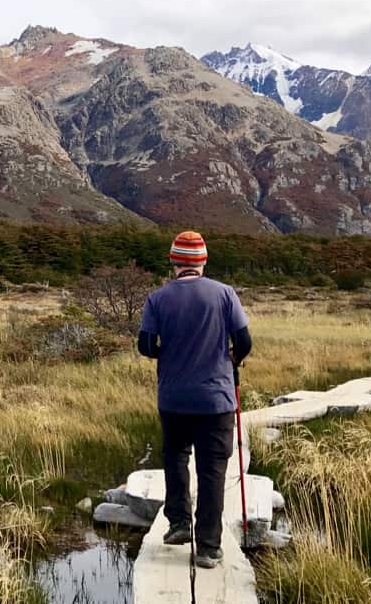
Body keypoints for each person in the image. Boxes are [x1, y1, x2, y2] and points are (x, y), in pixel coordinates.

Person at [137, 231, 252, 569]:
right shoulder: (225, 294)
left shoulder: (157, 298)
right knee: (213, 469)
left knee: (175, 456)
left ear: (174, 262)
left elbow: (145, 346)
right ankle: (208, 547)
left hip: (173, 397)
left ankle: (178, 523)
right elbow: (244, 341)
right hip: (216, 399)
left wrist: (168, 353)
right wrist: (230, 359)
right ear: (202, 261)